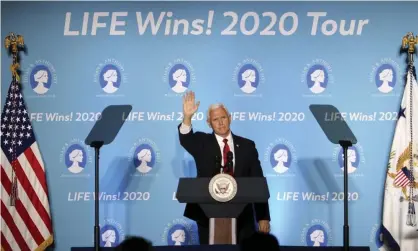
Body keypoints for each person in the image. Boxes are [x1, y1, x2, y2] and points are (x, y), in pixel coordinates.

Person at [177, 91, 271, 245]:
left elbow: (258, 183)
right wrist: (187, 117)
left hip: (243, 217)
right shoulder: (202, 142)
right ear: (209, 123)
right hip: (207, 213)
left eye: (223, 118)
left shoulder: (247, 146)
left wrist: (263, 216)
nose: (220, 123)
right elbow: (186, 138)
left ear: (230, 118)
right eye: (215, 119)